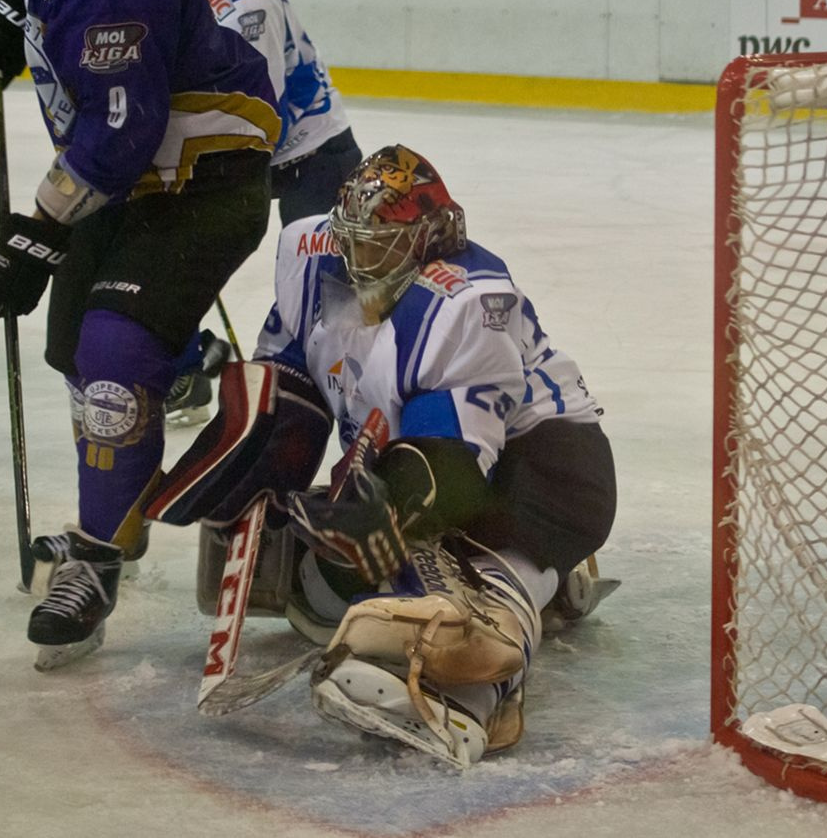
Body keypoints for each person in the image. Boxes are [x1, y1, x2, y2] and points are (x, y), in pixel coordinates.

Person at [0, 0, 280, 669]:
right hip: (131, 179)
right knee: (72, 347)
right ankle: (119, 520)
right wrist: (9, 0)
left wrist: (33, 233)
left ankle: (96, 559)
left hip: (204, 179)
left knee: (112, 353)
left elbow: (117, 134)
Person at [177, 144, 615, 765]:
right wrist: (259, 456)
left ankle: (473, 689)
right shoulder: (310, 257)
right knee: (320, 594)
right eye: (351, 239)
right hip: (435, 458)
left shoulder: (466, 301)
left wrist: (389, 510)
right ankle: (548, 579)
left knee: (446, 562)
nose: (359, 256)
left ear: (430, 238)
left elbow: (451, 466)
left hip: (546, 465)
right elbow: (287, 374)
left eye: (379, 242)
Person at [144, 0, 360, 422]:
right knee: (170, 256)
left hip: (309, 150)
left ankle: (335, 391)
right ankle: (189, 373)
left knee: (321, 284)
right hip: (235, 145)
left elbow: (263, 113)